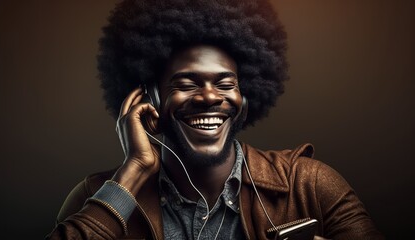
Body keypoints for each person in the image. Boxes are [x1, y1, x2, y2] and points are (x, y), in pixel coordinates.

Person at [46, 0, 384, 239]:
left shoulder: (309, 185)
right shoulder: (96, 195)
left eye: (225, 84)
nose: (209, 97)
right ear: (149, 98)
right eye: (186, 83)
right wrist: (131, 172)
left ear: (245, 98)